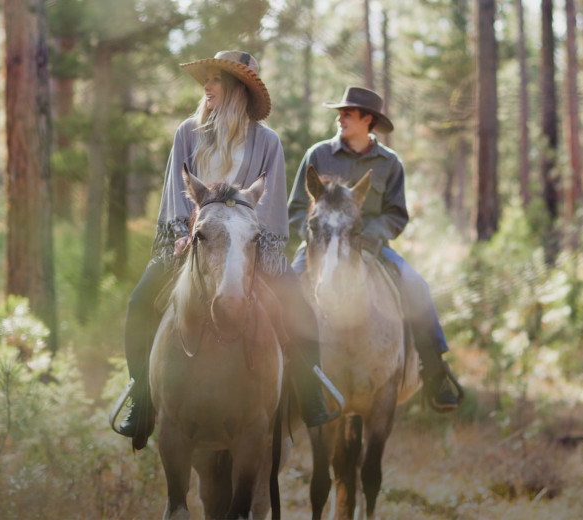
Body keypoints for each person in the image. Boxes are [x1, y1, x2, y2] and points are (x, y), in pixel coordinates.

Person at [115, 50, 339, 450]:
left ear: (238, 88)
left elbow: (270, 207)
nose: (207, 87)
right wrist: (183, 233)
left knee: (300, 307)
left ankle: (311, 394)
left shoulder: (267, 142)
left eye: (216, 79)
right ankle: (141, 401)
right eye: (207, 80)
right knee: (138, 304)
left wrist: (257, 245)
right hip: (195, 241)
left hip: (248, 243)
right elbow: (175, 189)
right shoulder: (187, 132)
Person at [288, 86, 460, 412]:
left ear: (368, 120)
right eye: (339, 113)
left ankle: (434, 371)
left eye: (347, 114)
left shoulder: (389, 163)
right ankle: (283, 375)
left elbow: (396, 214)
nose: (340, 119)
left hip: (370, 246)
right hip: (321, 245)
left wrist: (369, 237)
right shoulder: (318, 155)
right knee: (288, 287)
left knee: (415, 284)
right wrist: (316, 238)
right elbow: (297, 207)